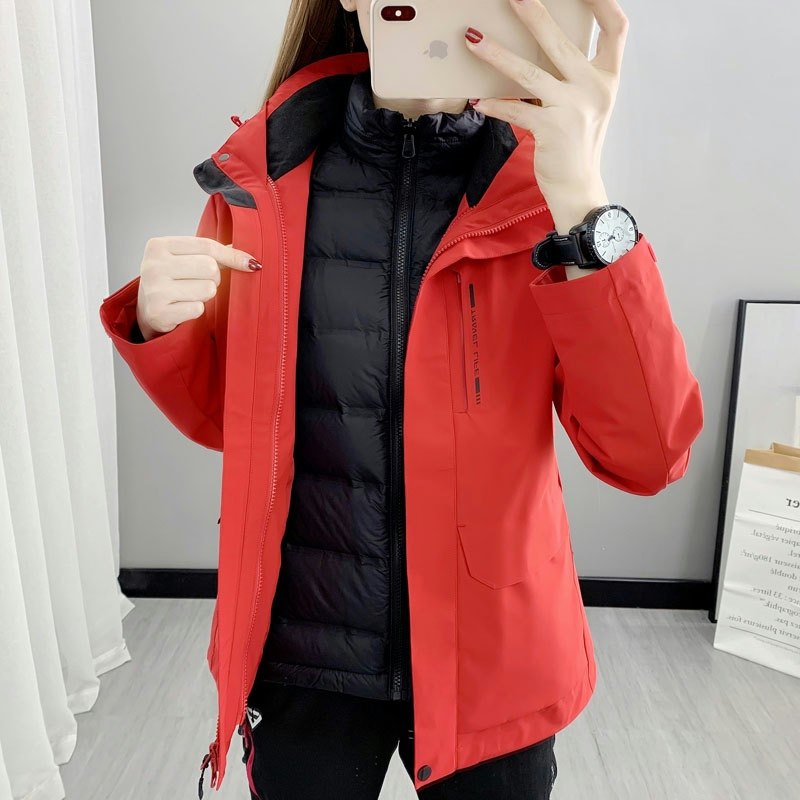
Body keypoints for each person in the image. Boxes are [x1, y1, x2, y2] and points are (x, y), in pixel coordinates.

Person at [98, 0, 704, 797]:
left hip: (495, 657)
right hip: (304, 651)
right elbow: (230, 422)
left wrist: (587, 205)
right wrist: (162, 326)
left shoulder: (545, 198)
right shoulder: (263, 180)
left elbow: (647, 456)